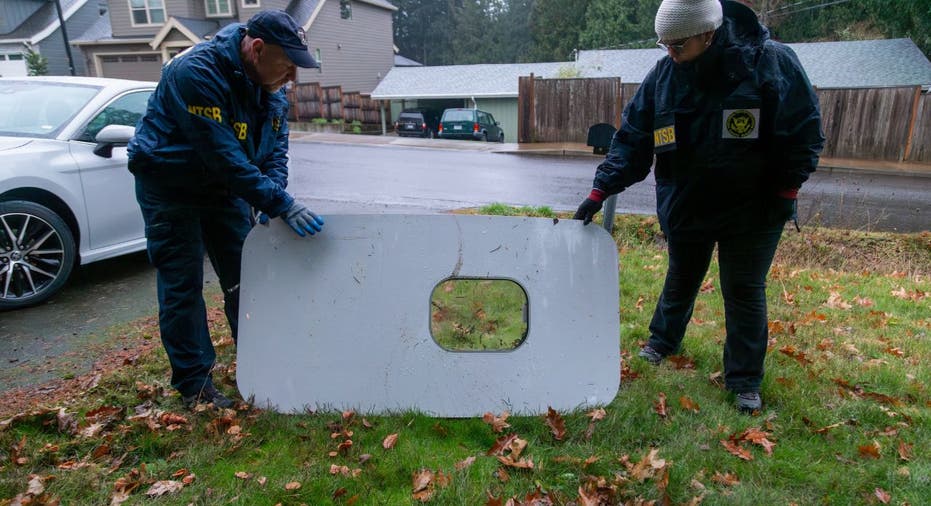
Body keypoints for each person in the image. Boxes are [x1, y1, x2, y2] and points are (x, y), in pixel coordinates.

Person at [573, 0, 823, 413]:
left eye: (678, 45)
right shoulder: (664, 76)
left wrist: (786, 191)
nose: (669, 54)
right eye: (664, 45)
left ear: (708, 34)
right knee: (682, 275)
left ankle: (744, 380)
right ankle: (662, 342)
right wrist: (600, 191)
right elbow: (634, 138)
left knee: (743, 289)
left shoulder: (770, 63)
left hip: (754, 208)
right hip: (688, 202)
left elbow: (804, 131)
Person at [128, 10, 326, 409]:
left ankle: (260, 363)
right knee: (183, 285)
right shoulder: (195, 72)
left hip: (224, 188)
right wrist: (280, 203)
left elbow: (274, 152)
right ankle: (195, 385)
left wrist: (274, 196)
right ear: (256, 50)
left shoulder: (271, 89)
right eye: (287, 66)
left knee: (246, 280)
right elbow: (224, 156)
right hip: (171, 184)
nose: (292, 79)